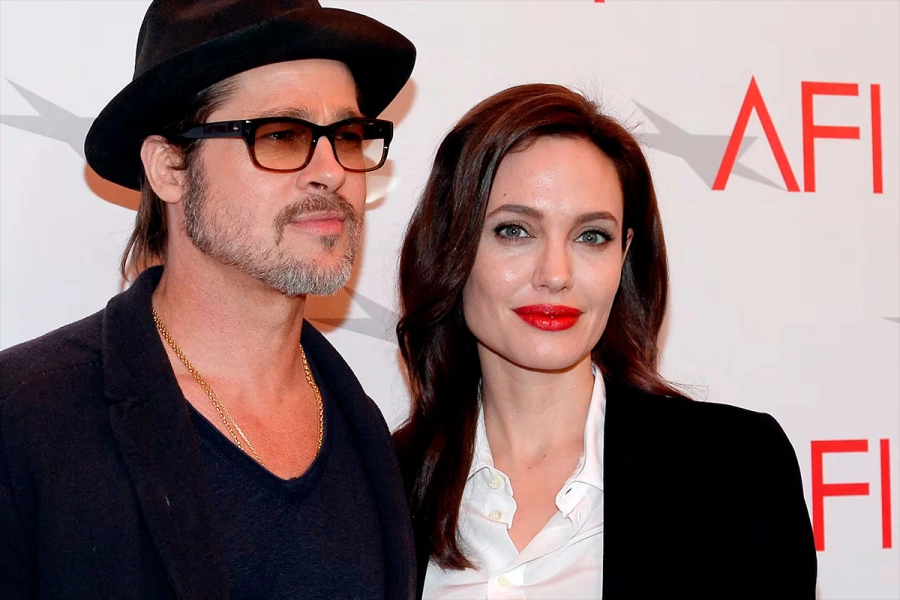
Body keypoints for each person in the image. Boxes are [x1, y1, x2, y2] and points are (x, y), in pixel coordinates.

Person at [0, 1, 417, 598]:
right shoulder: (27, 421)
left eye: (348, 137)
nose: (331, 171)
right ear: (169, 168)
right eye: (280, 136)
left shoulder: (365, 432)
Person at [393, 83, 817, 599]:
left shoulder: (736, 469)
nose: (555, 274)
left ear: (625, 257)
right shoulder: (382, 485)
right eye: (514, 231)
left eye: (591, 236)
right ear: (451, 247)